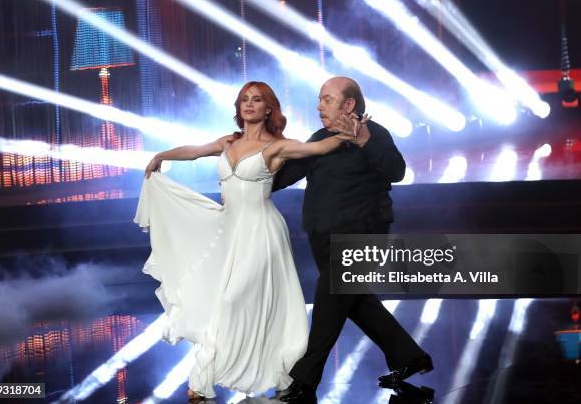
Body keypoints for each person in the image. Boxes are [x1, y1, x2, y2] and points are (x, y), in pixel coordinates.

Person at [135, 81, 356, 402]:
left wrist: (348, 134)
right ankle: (247, 373)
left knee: (231, 300)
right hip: (229, 229)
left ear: (269, 108)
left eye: (256, 100)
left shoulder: (277, 146)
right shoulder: (228, 142)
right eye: (244, 100)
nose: (249, 105)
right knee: (222, 300)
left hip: (262, 232)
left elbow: (316, 149)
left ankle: (202, 378)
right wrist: (161, 156)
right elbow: (194, 152)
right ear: (239, 108)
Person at [275, 76, 434, 403]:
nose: (320, 105)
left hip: (362, 236)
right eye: (320, 99)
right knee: (355, 303)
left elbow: (396, 170)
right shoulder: (320, 139)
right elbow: (284, 176)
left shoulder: (374, 134)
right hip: (323, 238)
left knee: (328, 307)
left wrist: (363, 140)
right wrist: (249, 171)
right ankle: (408, 356)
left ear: (349, 105)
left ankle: (304, 380)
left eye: (328, 99)